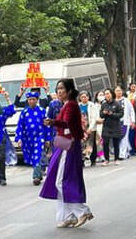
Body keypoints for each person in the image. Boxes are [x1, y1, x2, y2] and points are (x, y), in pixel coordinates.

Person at [40, 79, 93, 228]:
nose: (59, 91)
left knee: (61, 181)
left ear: (69, 90)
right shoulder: (67, 105)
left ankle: (82, 211)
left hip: (68, 145)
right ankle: (67, 216)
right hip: (64, 144)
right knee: (59, 179)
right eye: (57, 89)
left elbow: (67, 123)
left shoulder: (70, 105)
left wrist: (53, 122)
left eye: (62, 89)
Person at [15, 90, 50, 185]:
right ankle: (39, 173)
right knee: (33, 156)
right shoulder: (24, 112)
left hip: (39, 137)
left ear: (37, 100)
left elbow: (46, 126)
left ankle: (35, 177)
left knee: (37, 155)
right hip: (28, 139)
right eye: (30, 99)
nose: (31, 101)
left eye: (33, 99)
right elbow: (20, 126)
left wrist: (47, 139)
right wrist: (19, 138)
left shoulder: (42, 111)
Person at [0, 90, 15, 186]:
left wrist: (7, 98)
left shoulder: (2, 112)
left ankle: (2, 177)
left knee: (1, 157)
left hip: (1, 137)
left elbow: (12, 110)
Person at [100, 88, 124, 163]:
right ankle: (106, 159)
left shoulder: (117, 103)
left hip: (115, 125)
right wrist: (104, 113)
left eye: (108, 93)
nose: (107, 95)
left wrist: (112, 114)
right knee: (105, 143)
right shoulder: (104, 104)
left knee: (116, 143)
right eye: (105, 94)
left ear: (111, 94)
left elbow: (121, 114)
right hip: (106, 126)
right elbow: (101, 115)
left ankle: (116, 159)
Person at [115, 85, 136, 159]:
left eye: (120, 90)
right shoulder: (113, 101)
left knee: (124, 137)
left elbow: (131, 111)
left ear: (122, 91)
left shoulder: (126, 100)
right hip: (115, 123)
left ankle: (122, 154)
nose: (118, 92)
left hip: (125, 122)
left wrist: (133, 121)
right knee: (118, 138)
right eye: (117, 91)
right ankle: (127, 151)